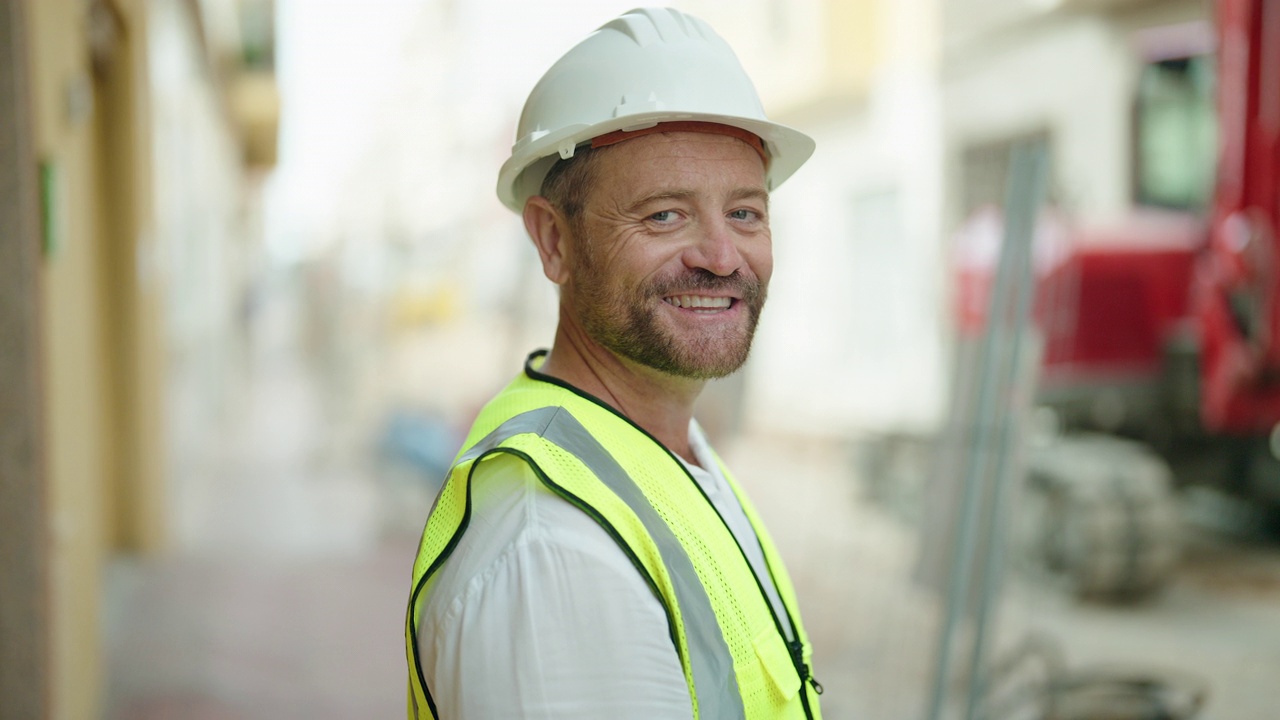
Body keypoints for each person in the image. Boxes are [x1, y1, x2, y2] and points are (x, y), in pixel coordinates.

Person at [405, 8, 821, 719]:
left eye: (746, 213)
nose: (721, 257)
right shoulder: (554, 557)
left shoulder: (663, 455)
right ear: (554, 241)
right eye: (665, 215)